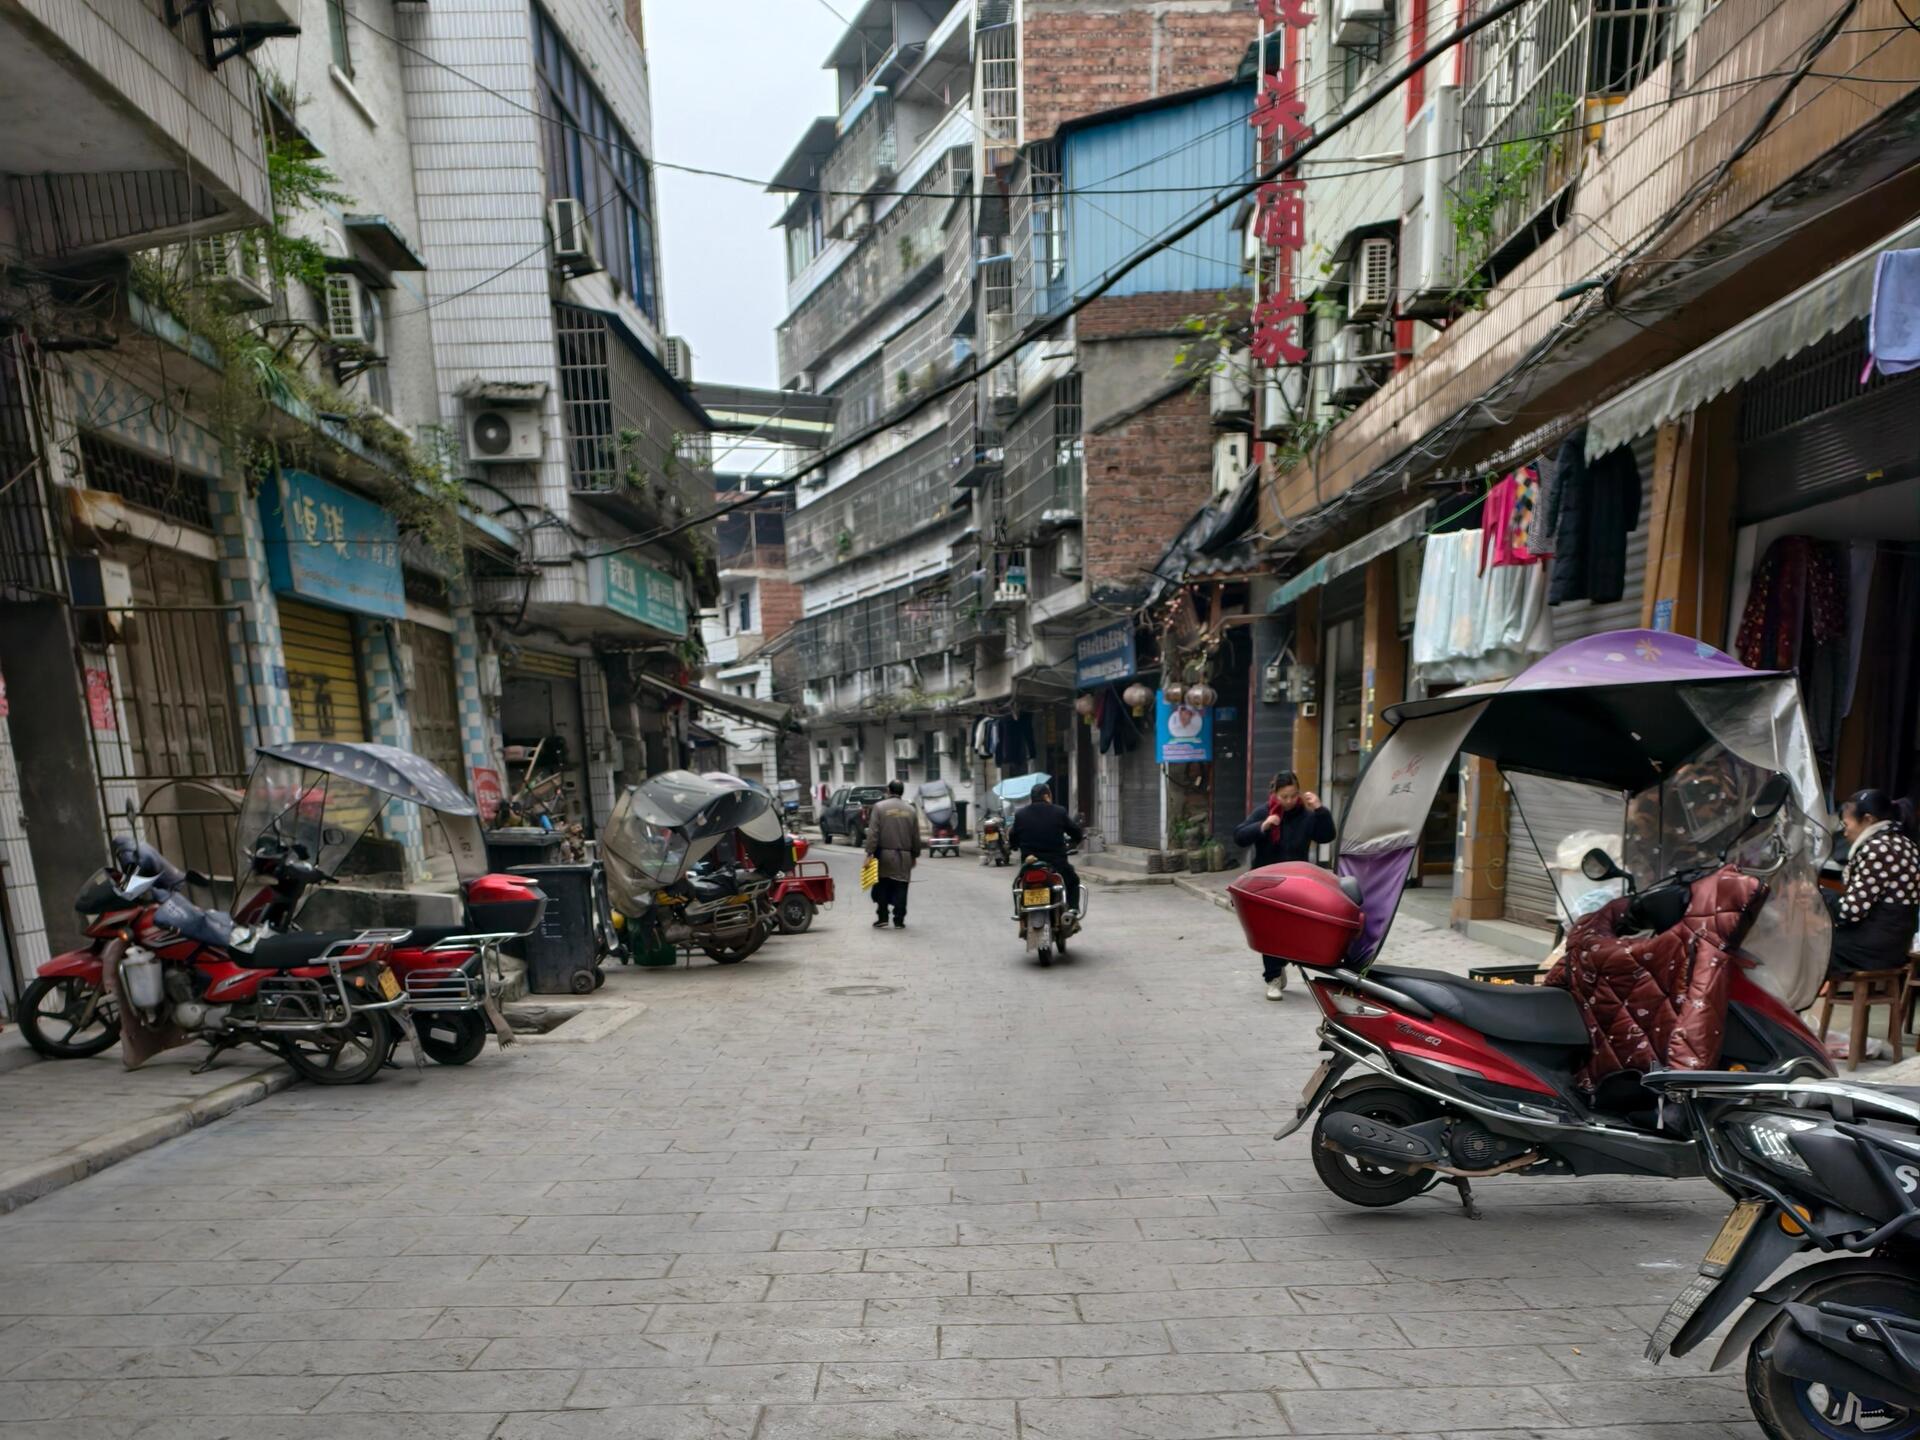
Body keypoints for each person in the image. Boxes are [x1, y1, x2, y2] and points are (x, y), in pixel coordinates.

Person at [1234, 769, 1336, 1001]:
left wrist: (1320, 809)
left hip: (1297, 884)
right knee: (1269, 931)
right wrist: (1263, 826)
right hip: (1267, 883)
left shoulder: (1307, 816)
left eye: (1293, 795)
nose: (1289, 801)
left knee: (1293, 931)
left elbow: (1327, 835)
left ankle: (1280, 963)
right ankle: (1273, 978)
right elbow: (1239, 836)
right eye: (1284, 797)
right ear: (1275, 794)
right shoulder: (1264, 813)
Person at [1826, 788, 1920, 974]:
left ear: (1868, 820)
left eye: (1847, 825)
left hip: (1874, 948)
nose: (1845, 833)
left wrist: (1820, 896)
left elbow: (1851, 912)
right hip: (1894, 943)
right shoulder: (1904, 843)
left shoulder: (1879, 849)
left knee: (1809, 943)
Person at [1009, 782, 1084, 915]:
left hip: (1030, 864)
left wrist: (1014, 846)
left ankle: (1019, 914)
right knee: (1073, 881)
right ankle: (1072, 911)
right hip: (1056, 864)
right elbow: (1075, 831)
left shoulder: (1021, 815)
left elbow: (1013, 837)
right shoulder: (1059, 811)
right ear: (1046, 796)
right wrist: (1076, 841)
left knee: (1017, 885)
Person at [864, 780, 921, 929]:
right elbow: (916, 836)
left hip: (884, 855)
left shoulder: (879, 807)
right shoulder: (911, 810)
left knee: (882, 885)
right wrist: (915, 854)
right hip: (905, 856)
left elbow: (873, 833)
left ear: (889, 790)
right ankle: (899, 919)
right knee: (902, 886)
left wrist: (869, 852)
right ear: (901, 791)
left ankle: (883, 917)